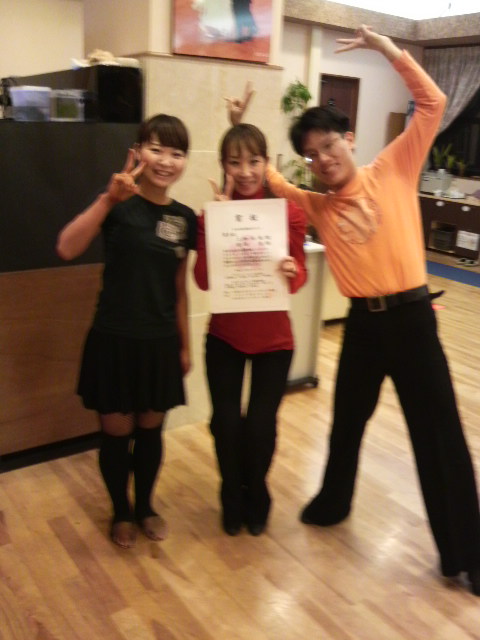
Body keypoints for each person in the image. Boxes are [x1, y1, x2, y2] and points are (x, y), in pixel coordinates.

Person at [263, 25, 480, 595]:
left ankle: (468, 552)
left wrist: (387, 50)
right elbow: (271, 181)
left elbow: (433, 103)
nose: (322, 159)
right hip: (362, 326)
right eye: (312, 155)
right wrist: (241, 128)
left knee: (438, 433)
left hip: (412, 321)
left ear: (350, 139)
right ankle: (333, 503)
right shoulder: (318, 205)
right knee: (347, 420)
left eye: (329, 147)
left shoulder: (395, 166)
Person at [56, 114, 197, 549]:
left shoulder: (184, 218)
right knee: (117, 436)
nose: (166, 161)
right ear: (138, 153)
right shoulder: (117, 203)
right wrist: (107, 199)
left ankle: (145, 506)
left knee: (151, 433)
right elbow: (66, 247)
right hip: (114, 340)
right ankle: (120, 510)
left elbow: (179, 288)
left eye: (177, 153)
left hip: (159, 343)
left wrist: (185, 346)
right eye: (157, 149)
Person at [193, 119, 307, 536]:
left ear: (266, 162)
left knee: (261, 425)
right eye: (234, 162)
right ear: (223, 165)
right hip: (224, 337)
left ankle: (256, 490)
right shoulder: (212, 216)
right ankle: (230, 492)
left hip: (275, 340)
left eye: (254, 161)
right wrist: (216, 229)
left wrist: (292, 270)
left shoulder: (288, 213)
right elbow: (203, 280)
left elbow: (298, 279)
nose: (245, 171)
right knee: (224, 423)